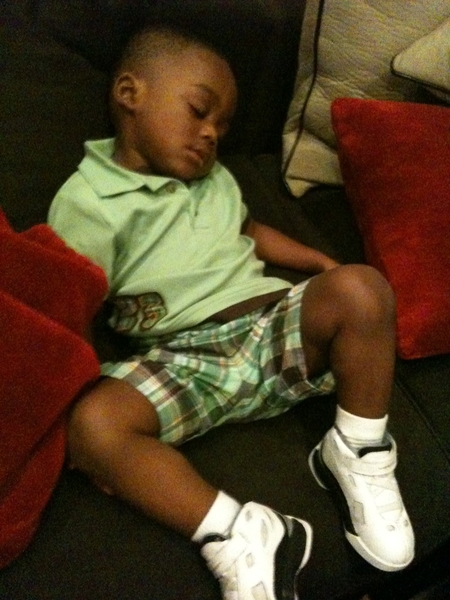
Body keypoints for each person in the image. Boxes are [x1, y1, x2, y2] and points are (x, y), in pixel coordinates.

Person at [48, 24, 414, 600]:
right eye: (199, 111)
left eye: (222, 129)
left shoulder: (215, 181)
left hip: (270, 330)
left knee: (363, 288)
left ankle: (356, 449)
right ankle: (239, 533)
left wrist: (318, 262)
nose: (210, 134)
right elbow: (71, 297)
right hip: (182, 359)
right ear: (129, 93)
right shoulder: (88, 200)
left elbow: (249, 230)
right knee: (93, 427)